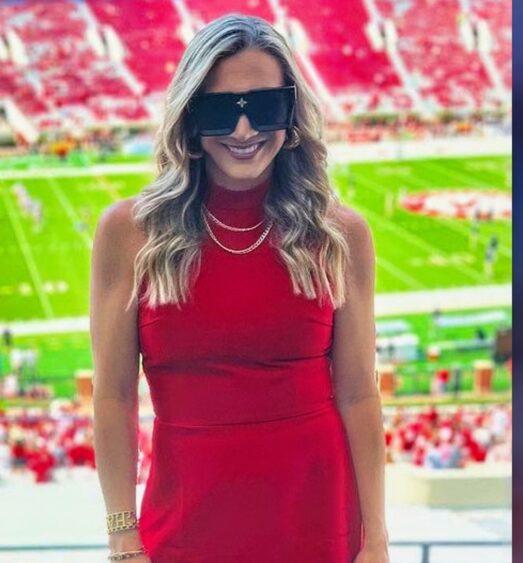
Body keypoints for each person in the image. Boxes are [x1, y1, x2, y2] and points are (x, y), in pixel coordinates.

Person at [91, 15, 388, 563]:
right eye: (221, 108)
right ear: (188, 116)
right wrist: (121, 536)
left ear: (293, 112)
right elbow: (113, 397)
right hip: (183, 528)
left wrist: (377, 539)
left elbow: (358, 393)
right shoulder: (128, 232)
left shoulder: (340, 233)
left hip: (319, 524)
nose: (245, 130)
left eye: (265, 106)